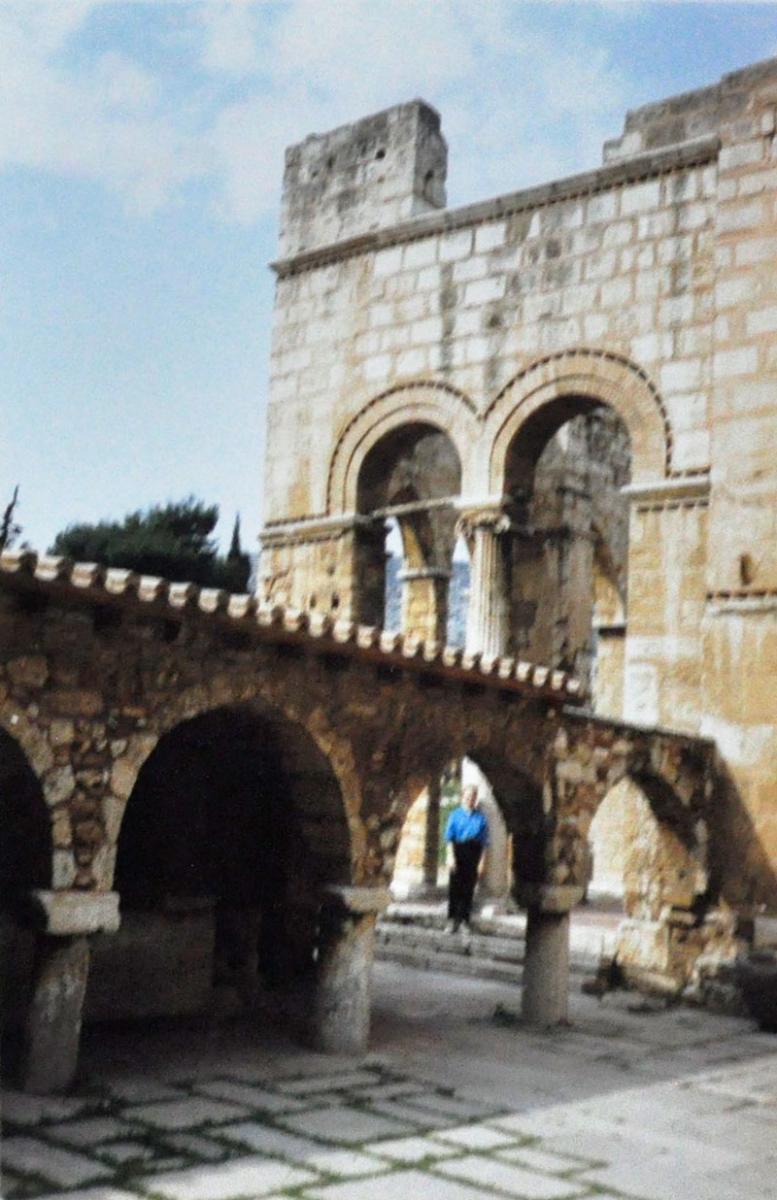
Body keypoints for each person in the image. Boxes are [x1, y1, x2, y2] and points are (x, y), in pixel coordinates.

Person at [444, 784, 489, 932]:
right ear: (462, 797)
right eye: (467, 796)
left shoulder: (480, 818)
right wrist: (450, 856)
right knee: (454, 887)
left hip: (473, 851)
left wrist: (482, 862)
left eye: (472, 797)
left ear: (475, 799)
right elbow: (449, 837)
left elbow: (484, 842)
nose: (470, 799)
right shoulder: (455, 815)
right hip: (458, 850)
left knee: (468, 888)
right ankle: (452, 920)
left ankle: (464, 920)